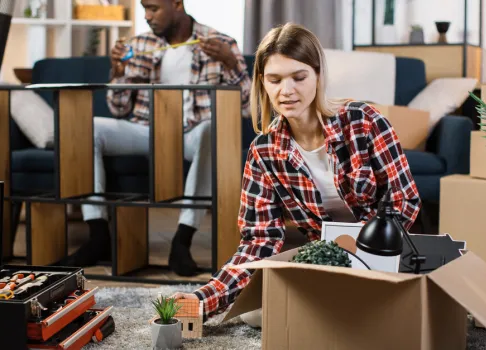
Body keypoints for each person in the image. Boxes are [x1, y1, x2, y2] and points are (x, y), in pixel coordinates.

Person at [170, 23, 421, 321]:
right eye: (274, 80)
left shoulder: (365, 122)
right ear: (262, 83)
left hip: (384, 259)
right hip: (325, 265)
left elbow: (403, 204)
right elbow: (259, 241)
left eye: (298, 77)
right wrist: (203, 299)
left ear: (318, 75)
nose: (286, 91)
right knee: (253, 315)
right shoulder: (264, 152)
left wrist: (355, 255)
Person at [55, 0, 252, 276]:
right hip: (146, 130)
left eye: (154, 8)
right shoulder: (139, 46)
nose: (147, 16)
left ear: (177, 4)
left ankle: (182, 241)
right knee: (86, 126)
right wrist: (119, 74)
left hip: (192, 134)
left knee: (212, 129)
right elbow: (119, 108)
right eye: (144, 8)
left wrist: (230, 63)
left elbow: (248, 107)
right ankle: (98, 234)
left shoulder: (220, 43)